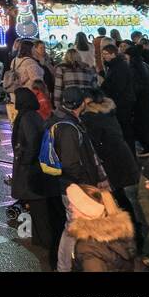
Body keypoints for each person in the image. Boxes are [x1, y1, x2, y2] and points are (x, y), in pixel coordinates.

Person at [47, 86, 108, 272]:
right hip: (74, 186)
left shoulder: (60, 119)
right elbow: (71, 163)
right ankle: (65, 266)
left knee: (76, 226)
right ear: (82, 103)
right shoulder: (68, 127)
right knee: (73, 228)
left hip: (70, 184)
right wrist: (82, 185)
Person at [8, 88, 64, 265]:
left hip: (31, 170)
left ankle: (45, 241)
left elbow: (32, 141)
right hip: (36, 170)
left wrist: (24, 160)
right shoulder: (33, 115)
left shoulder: (26, 117)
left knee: (38, 207)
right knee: (38, 207)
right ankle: (42, 239)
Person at [79, 89, 139, 215]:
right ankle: (132, 224)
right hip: (121, 159)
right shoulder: (107, 112)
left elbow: (94, 144)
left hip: (111, 163)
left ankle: (128, 227)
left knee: (113, 197)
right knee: (119, 196)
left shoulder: (90, 117)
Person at [65, 183, 137, 272]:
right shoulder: (118, 229)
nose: (70, 207)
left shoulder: (87, 248)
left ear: (85, 209)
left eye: (73, 204)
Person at [100, 43, 136, 150]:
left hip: (121, 102)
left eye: (106, 54)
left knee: (125, 127)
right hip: (123, 101)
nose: (104, 56)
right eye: (103, 54)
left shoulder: (118, 67)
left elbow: (118, 86)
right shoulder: (118, 65)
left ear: (113, 54)